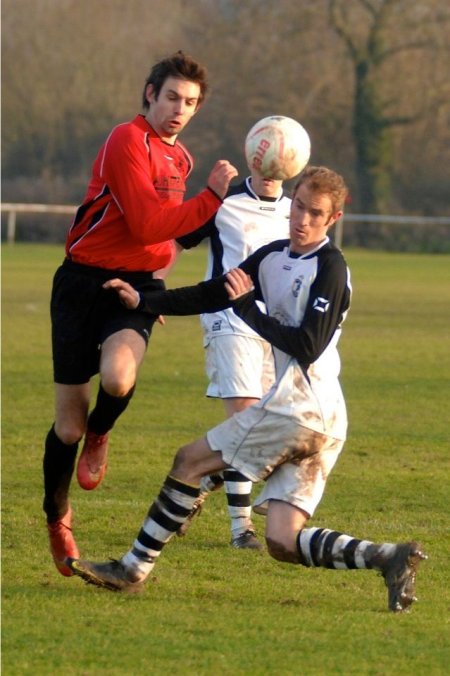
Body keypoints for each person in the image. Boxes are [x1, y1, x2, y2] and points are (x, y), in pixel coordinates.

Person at [67, 166, 427, 612]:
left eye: (316, 214)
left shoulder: (330, 268)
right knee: (281, 540)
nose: (303, 220)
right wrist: (145, 301)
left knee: (189, 460)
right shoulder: (273, 256)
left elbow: (308, 346)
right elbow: (214, 292)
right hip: (316, 417)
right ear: (290, 201)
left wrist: (247, 310)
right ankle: (388, 557)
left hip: (303, 410)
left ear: (332, 220)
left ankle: (132, 568)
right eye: (298, 207)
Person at [44, 50, 238, 578]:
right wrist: (212, 197)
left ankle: (101, 434)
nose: (180, 108)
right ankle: (57, 517)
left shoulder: (182, 159)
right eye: (172, 96)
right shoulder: (125, 140)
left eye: (191, 102)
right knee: (66, 428)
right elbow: (151, 223)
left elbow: (176, 234)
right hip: (82, 283)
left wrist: (233, 201)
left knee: (119, 376)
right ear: (150, 94)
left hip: (136, 289)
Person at [174, 164, 291, 549]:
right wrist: (149, 292)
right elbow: (176, 241)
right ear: (252, 160)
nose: (272, 169)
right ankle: (242, 529)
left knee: (268, 427)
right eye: (264, 160)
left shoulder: (296, 211)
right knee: (244, 419)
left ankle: (206, 478)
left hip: (272, 327)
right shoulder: (225, 202)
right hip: (227, 319)